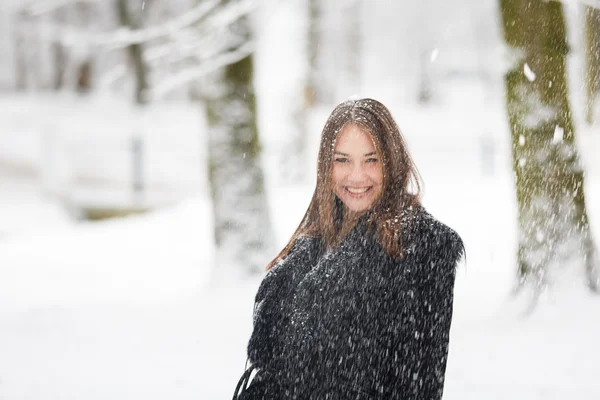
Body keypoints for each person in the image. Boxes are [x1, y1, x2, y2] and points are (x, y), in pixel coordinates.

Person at [232, 98, 464, 400]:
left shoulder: (422, 248)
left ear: (391, 162)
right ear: (326, 167)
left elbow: (418, 386)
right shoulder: (311, 247)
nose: (356, 176)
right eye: (342, 160)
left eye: (371, 160)